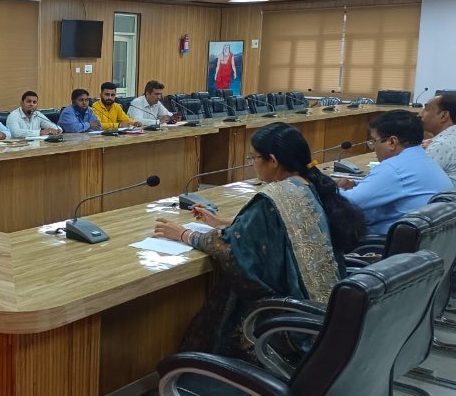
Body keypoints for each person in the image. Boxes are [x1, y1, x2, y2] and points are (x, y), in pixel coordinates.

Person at [154, 122, 365, 359]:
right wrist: (222, 221)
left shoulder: (273, 196)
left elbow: (231, 249)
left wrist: (184, 234)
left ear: (272, 161)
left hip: (288, 322)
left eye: (253, 157)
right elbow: (280, 227)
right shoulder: (306, 183)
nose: (252, 163)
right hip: (325, 312)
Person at [337, 110, 452, 235]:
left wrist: (331, 188)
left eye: (374, 141)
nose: (374, 147)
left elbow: (348, 202)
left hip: (386, 242)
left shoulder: (394, 168)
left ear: (392, 142)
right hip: (428, 241)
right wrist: (356, 184)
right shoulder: (423, 159)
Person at [419, 93, 456, 186]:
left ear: (444, 116)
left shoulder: (442, 144)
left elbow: (416, 178)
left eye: (426, 109)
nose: (419, 114)